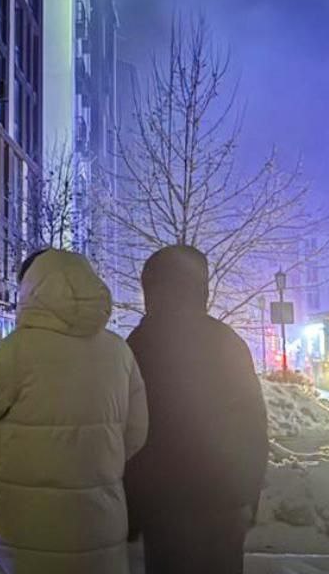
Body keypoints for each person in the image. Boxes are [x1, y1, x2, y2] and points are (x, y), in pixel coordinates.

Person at [0, 248, 148, 574]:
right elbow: (136, 433)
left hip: (26, 524)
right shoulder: (119, 351)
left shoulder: (17, 349)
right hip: (98, 521)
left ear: (31, 290)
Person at [124, 245, 268, 574]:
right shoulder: (227, 341)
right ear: (200, 289)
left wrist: (132, 509)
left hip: (163, 507)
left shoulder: (139, 343)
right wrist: (248, 496)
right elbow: (253, 425)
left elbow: (130, 434)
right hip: (223, 503)